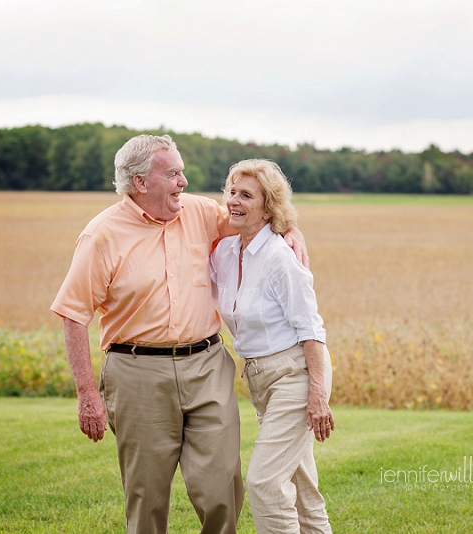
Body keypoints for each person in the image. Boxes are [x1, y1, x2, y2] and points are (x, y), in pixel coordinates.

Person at [50, 135, 307, 534]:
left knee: (222, 488)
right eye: (173, 173)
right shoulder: (101, 236)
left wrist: (292, 231)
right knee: (147, 497)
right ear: (140, 183)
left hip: (207, 366)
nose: (184, 182)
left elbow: (257, 221)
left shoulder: (201, 212)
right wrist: (87, 395)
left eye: (182, 171)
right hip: (137, 374)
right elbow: (72, 315)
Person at [210, 159, 334, 534]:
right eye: (232, 192)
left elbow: (311, 328)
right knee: (301, 485)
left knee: (265, 482)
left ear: (268, 208)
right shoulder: (225, 253)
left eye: (246, 195)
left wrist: (317, 395)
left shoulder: (281, 257)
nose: (234, 200)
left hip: (297, 374)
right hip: (261, 377)